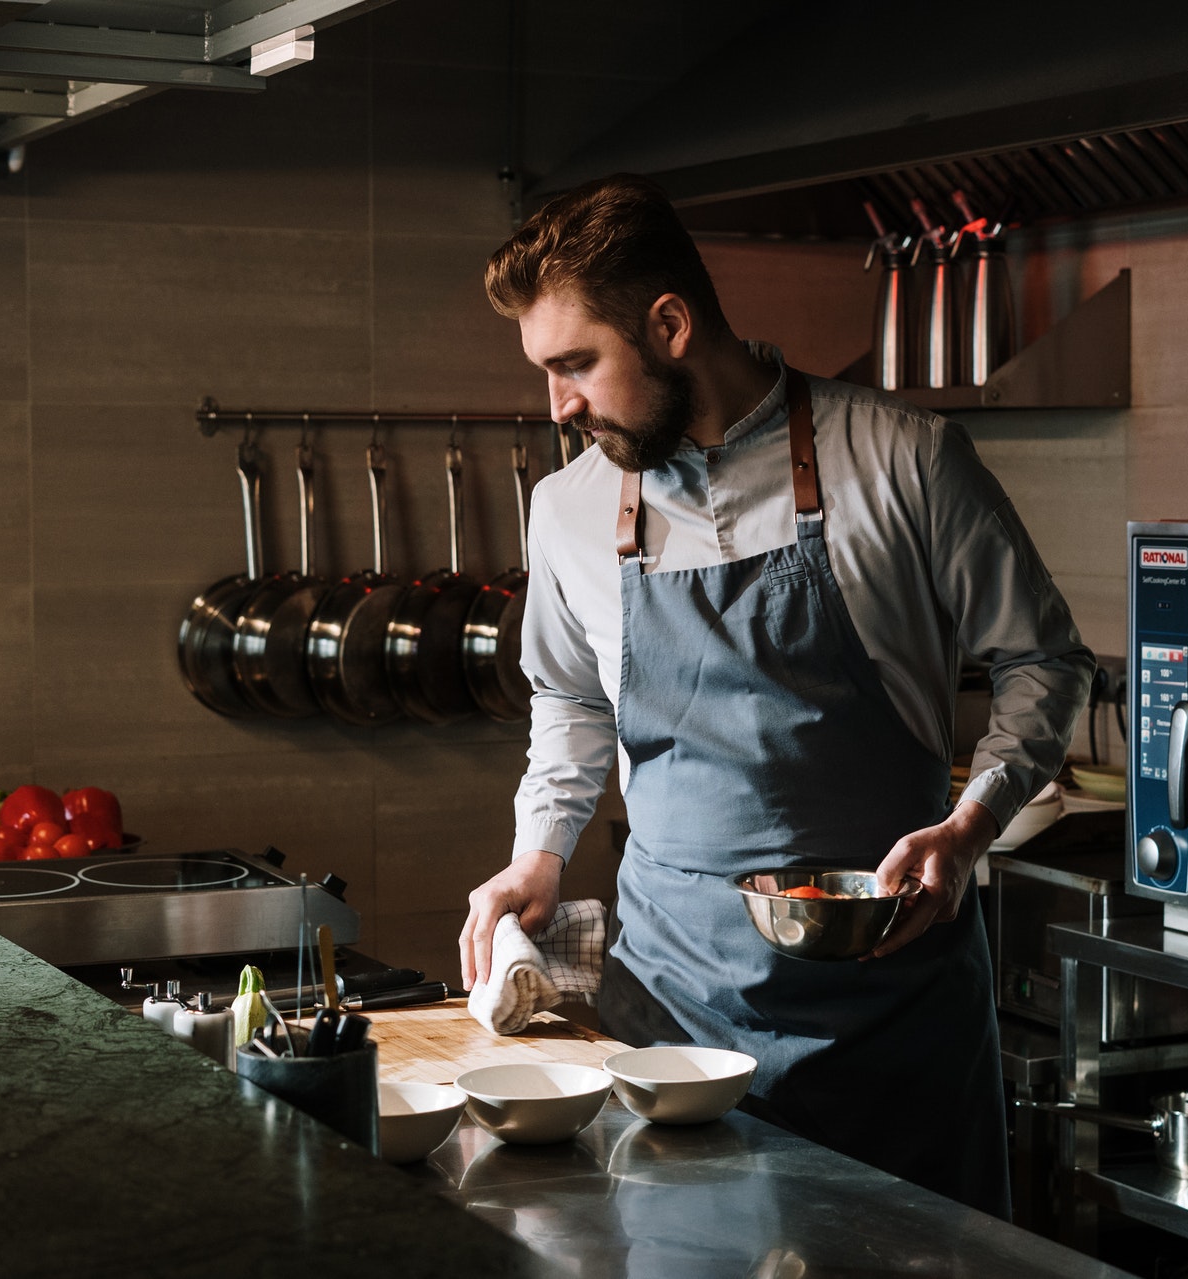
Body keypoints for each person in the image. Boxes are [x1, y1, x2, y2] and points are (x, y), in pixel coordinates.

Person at [458, 173, 1093, 1218]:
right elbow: (570, 697)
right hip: (671, 1014)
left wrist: (973, 824)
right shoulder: (566, 509)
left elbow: (1042, 660)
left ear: (669, 324)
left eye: (576, 365)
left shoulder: (903, 458)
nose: (558, 406)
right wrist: (541, 848)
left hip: (891, 1012)